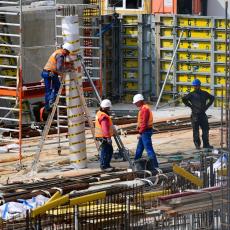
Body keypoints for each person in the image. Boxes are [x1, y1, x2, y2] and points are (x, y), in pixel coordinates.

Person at [182, 79, 215, 149]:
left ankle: (204, 145)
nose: (195, 87)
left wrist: (206, 106)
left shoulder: (198, 94)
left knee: (205, 130)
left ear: (199, 85)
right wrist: (191, 106)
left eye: (196, 86)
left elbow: (212, 98)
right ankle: (198, 145)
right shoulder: (194, 94)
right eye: (194, 86)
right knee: (196, 131)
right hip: (196, 115)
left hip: (200, 115)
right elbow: (184, 99)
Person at [41, 43, 73, 112]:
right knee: (57, 87)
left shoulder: (57, 52)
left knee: (48, 90)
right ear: (65, 50)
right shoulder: (60, 56)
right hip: (51, 73)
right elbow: (59, 69)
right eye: (68, 52)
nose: (68, 54)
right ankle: (51, 102)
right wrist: (68, 69)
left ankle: (48, 106)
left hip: (46, 72)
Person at [133, 94, 159, 170]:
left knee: (149, 149)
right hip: (145, 131)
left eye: (136, 102)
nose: (135, 104)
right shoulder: (143, 108)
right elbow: (142, 121)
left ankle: (155, 166)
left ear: (140, 101)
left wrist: (140, 132)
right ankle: (135, 163)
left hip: (145, 132)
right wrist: (139, 127)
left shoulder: (144, 109)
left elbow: (144, 123)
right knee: (139, 149)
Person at [95, 99, 114, 171]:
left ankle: (106, 165)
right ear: (106, 108)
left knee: (108, 150)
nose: (109, 109)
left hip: (101, 136)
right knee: (106, 151)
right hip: (104, 136)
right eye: (108, 108)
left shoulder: (99, 113)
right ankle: (104, 166)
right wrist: (108, 138)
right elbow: (105, 128)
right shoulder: (104, 116)